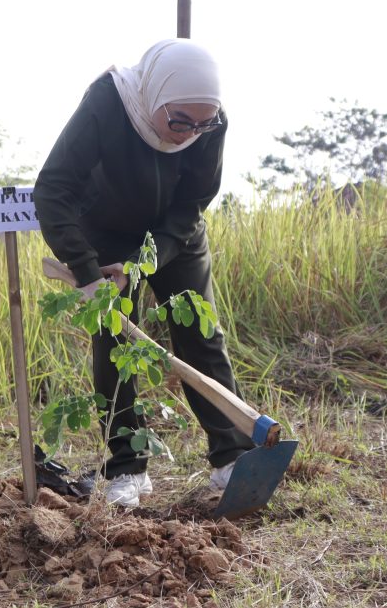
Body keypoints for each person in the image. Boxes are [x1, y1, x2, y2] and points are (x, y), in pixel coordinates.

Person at [34, 39, 255, 507]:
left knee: (201, 335)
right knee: (114, 346)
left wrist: (143, 265)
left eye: (202, 124)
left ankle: (234, 456)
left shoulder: (208, 121)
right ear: (155, 97)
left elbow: (193, 201)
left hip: (176, 234)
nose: (189, 133)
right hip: (106, 232)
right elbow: (53, 189)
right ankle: (127, 468)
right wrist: (88, 269)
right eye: (179, 121)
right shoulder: (108, 102)